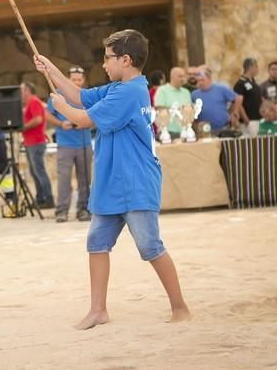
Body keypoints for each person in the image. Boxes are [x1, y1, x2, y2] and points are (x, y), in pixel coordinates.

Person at [34, 29, 189, 329]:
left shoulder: (129, 92)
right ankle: (98, 310)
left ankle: (180, 307)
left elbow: (81, 117)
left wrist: (60, 106)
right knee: (97, 242)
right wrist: (49, 68)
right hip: (111, 182)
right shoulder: (119, 87)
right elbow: (79, 95)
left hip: (134, 182)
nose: (103, 65)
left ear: (126, 60)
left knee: (150, 246)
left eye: (107, 59)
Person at [45, 66, 93, 223]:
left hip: (84, 142)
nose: (77, 82)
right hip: (65, 144)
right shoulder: (58, 94)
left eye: (79, 79)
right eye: (74, 79)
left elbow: (99, 115)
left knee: (85, 178)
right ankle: (62, 210)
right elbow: (47, 114)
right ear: (68, 79)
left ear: (83, 80)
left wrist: (86, 123)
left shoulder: (88, 96)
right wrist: (60, 123)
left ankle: (84, 209)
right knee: (64, 178)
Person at [21, 82, 54, 209]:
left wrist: (23, 127)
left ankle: (48, 198)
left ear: (27, 91)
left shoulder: (34, 101)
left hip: (36, 141)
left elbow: (38, 119)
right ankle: (40, 198)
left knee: (39, 171)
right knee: (34, 172)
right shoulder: (29, 103)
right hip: (30, 142)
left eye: (21, 90)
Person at [191, 68, 239, 133]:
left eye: (202, 80)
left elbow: (237, 99)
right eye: (198, 81)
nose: (200, 83)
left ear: (209, 79)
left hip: (223, 128)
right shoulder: (194, 94)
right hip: (204, 130)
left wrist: (233, 113)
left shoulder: (221, 89)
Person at [153, 67, 192, 137]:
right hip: (168, 132)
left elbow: (189, 110)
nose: (182, 79)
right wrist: (177, 110)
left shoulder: (186, 92)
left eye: (184, 76)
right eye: (180, 76)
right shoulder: (162, 90)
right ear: (172, 77)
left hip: (185, 132)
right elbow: (159, 109)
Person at [233, 58, 263, 137]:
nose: (257, 69)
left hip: (258, 118)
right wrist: (245, 118)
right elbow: (238, 102)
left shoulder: (253, 82)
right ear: (250, 67)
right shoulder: (240, 83)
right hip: (249, 120)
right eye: (256, 67)